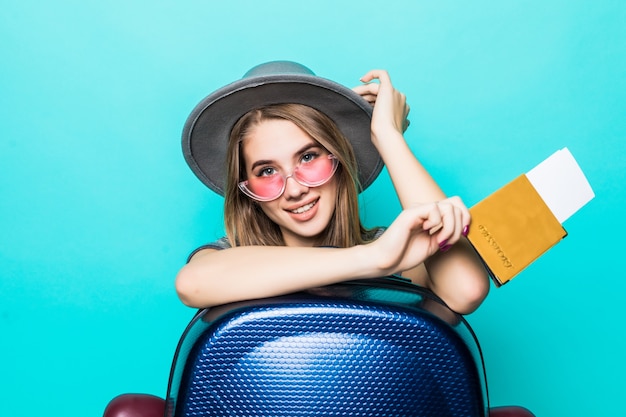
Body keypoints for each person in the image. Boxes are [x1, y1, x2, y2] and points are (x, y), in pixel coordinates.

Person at [176, 61, 489, 315]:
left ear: (339, 158)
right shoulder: (229, 257)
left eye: (308, 157)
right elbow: (192, 284)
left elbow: (466, 290)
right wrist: (373, 259)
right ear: (247, 189)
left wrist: (388, 136)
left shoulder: (397, 251)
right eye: (267, 170)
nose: (295, 189)